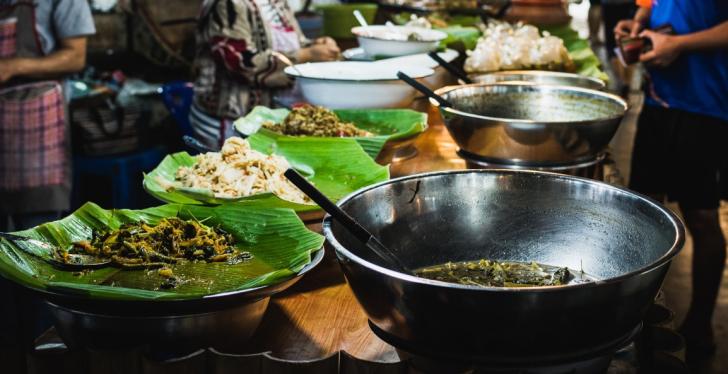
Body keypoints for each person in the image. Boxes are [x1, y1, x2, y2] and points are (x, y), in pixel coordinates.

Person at [615, 0, 728, 359]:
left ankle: (700, 323)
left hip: (706, 106)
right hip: (658, 100)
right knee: (645, 209)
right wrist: (637, 24)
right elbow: (652, 4)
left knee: (701, 215)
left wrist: (680, 44)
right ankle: (638, 313)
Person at [0, 0, 95, 354]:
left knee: (38, 245)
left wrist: (12, 67)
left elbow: (75, 56)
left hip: (35, 125)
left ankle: (44, 345)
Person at [191, 0, 341, 149]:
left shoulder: (276, 2)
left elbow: (293, 44)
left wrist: (316, 46)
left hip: (269, 119)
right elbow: (240, 63)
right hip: (232, 121)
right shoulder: (226, 4)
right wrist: (305, 55)